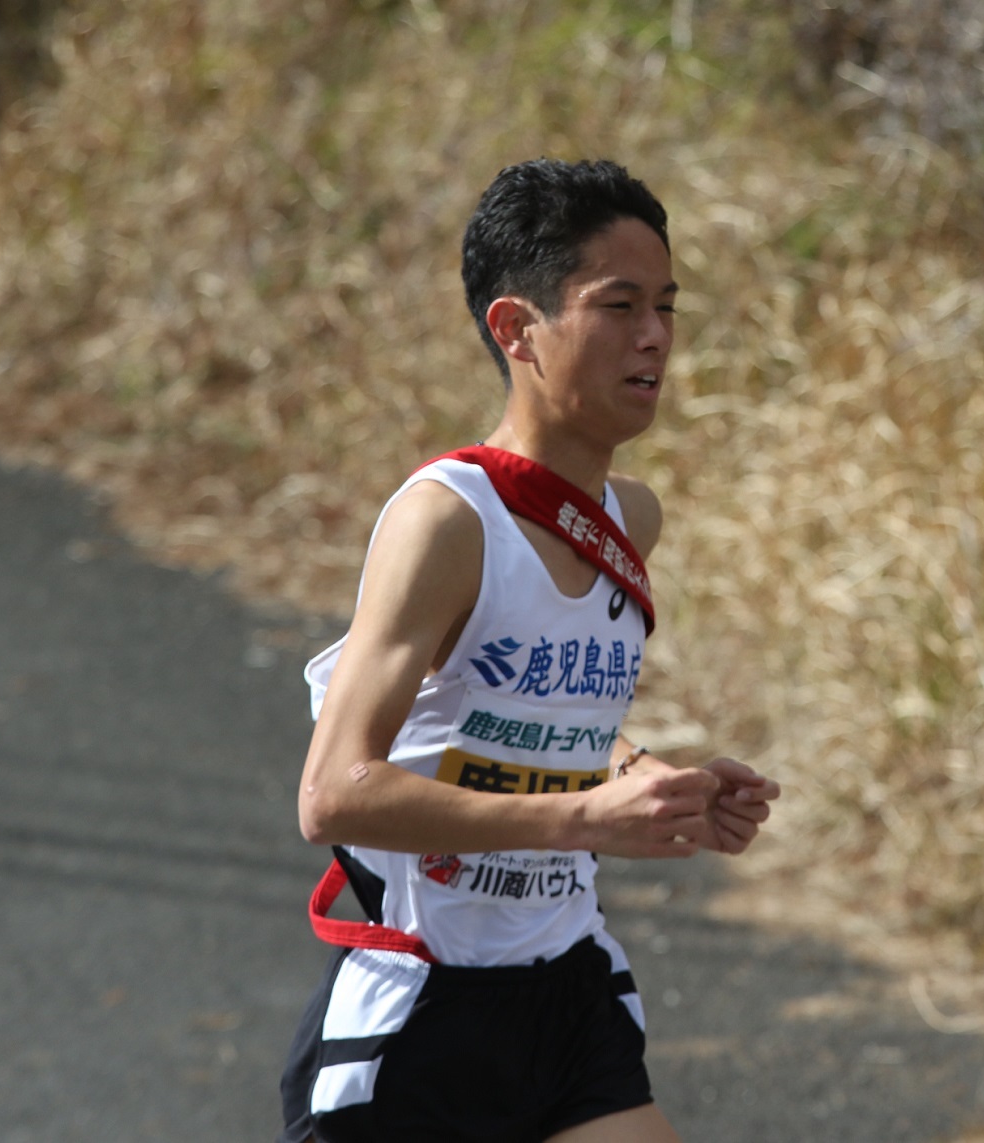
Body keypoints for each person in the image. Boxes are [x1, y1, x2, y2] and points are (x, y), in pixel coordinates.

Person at [276, 158, 782, 1143]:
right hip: (423, 1015)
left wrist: (652, 781)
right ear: (516, 330)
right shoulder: (446, 520)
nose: (654, 337)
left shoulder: (627, 519)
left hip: (566, 996)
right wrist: (585, 819)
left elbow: (536, 719)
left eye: (668, 307)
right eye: (618, 304)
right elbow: (331, 794)